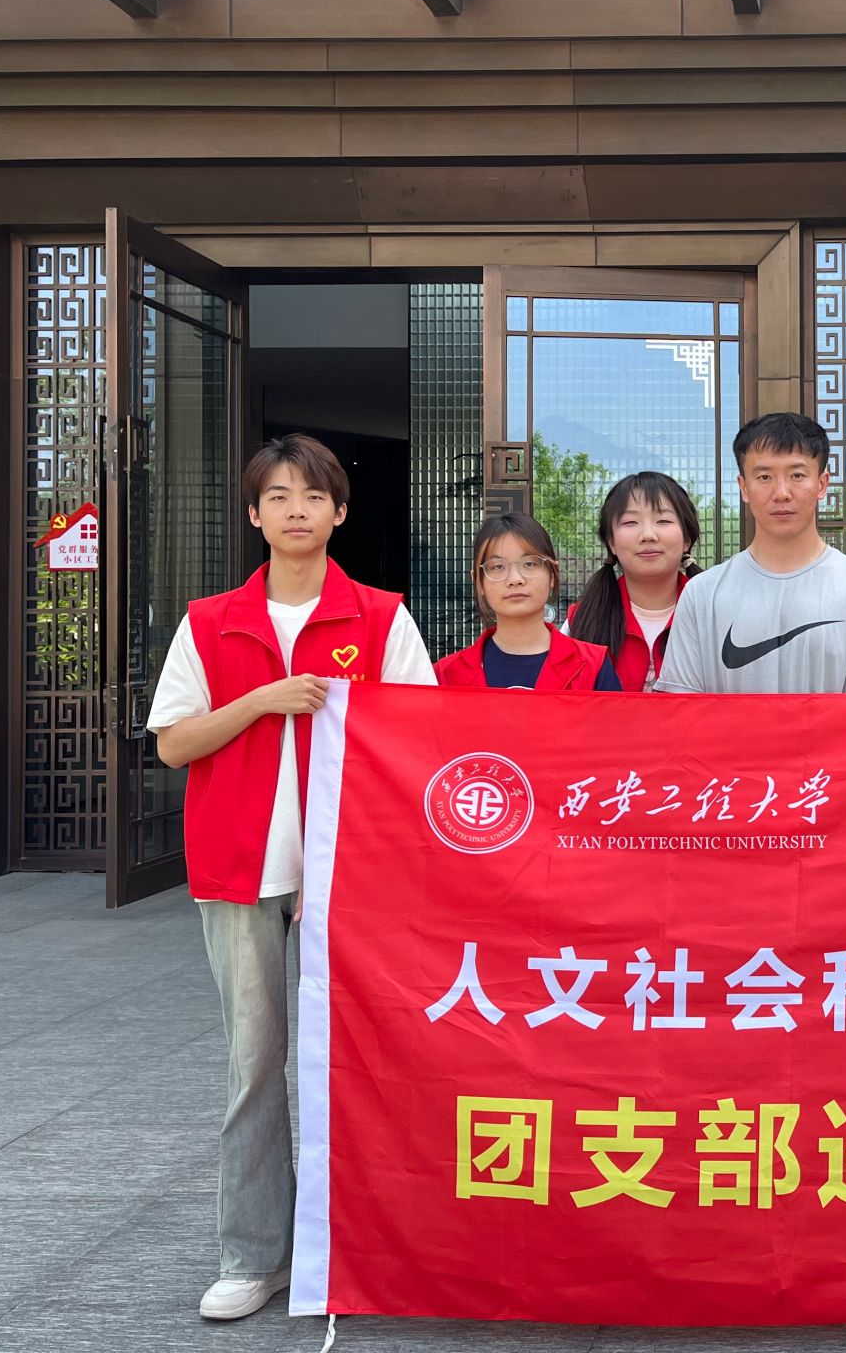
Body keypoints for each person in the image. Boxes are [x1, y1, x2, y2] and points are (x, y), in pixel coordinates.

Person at [146, 433, 436, 1322]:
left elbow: (420, 742)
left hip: (350, 883)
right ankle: (254, 1255)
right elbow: (173, 743)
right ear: (254, 514)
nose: (296, 510)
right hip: (239, 872)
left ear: (340, 512)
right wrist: (260, 701)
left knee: (360, 1064)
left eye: (313, 496)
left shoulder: (380, 618)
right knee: (255, 1065)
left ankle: (359, 1248)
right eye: (278, 496)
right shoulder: (210, 622)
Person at [655, 412, 846, 694]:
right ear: (744, 487)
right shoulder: (702, 594)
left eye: (797, 475)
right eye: (764, 477)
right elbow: (681, 710)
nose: (781, 493)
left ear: (822, 484)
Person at [436, 511, 620, 691]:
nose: (515, 579)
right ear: (478, 581)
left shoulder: (593, 667)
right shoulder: (445, 676)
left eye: (529, 564)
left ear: (552, 575)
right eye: (498, 567)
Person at [564, 470, 700, 692]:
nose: (648, 535)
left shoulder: (715, 614)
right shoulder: (580, 621)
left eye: (663, 520)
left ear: (687, 538)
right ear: (611, 542)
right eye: (630, 522)